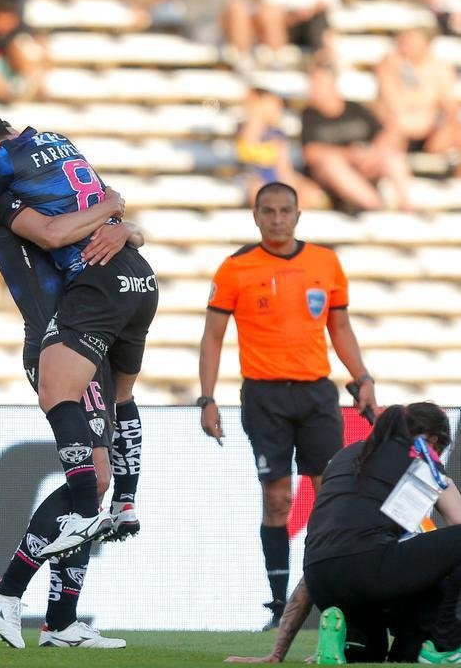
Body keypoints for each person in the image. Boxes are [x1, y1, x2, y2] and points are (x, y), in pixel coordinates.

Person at [0, 105, 159, 559]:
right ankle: (27, 587)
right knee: (102, 456)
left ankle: (55, 612)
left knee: (93, 476)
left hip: (80, 318)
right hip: (87, 311)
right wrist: (117, 214)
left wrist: (117, 219)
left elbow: (37, 230)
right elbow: (93, 214)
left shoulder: (2, 170)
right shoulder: (58, 146)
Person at [197, 180, 380, 631]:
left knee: (329, 495)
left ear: (298, 216)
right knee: (277, 499)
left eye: (285, 211)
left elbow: (340, 328)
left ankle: (332, 594)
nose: (277, 219)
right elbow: (213, 337)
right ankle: (279, 605)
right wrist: (207, 397)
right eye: (268, 211)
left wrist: (362, 378)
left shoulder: (325, 262)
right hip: (264, 396)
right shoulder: (236, 268)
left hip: (317, 393)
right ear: (256, 216)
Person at [0, 190, 141, 650]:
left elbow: (126, 236)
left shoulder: (56, 208)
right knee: (93, 483)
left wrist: (123, 227)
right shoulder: (14, 208)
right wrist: (112, 210)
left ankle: (60, 622)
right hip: (57, 346)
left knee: (96, 483)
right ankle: (8, 589)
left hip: (87, 343)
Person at [301, 402, 461, 664]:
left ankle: (342, 643)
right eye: (440, 450)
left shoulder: (343, 457)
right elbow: (458, 522)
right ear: (431, 440)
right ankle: (443, 646)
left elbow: (331, 545)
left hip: (321, 581)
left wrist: (277, 651)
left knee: (370, 653)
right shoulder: (421, 456)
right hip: (369, 570)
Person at [300, 63, 414, 212]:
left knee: (392, 156)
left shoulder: (355, 109)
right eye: (312, 84)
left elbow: (383, 134)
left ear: (332, 85)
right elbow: (310, 152)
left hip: (367, 164)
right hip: (334, 174)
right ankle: (376, 207)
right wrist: (349, 154)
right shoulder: (309, 115)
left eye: (318, 84)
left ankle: (408, 206)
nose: (313, 89)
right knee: (331, 163)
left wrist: (371, 153)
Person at [375, 26, 461, 159]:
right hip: (398, 125)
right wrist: (427, 101)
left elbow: (449, 105)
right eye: (405, 42)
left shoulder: (439, 68)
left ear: (426, 45)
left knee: (454, 131)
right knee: (393, 131)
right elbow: (393, 102)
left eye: (413, 42)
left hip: (430, 128)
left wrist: (446, 124)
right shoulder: (390, 64)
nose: (407, 46)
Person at [236, 85, 327, 208]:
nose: (278, 111)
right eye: (274, 106)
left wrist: (296, 187)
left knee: (312, 194)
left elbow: (284, 170)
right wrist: (257, 115)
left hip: (276, 179)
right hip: (254, 181)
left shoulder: (277, 136)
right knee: (259, 191)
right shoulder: (244, 129)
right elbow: (247, 145)